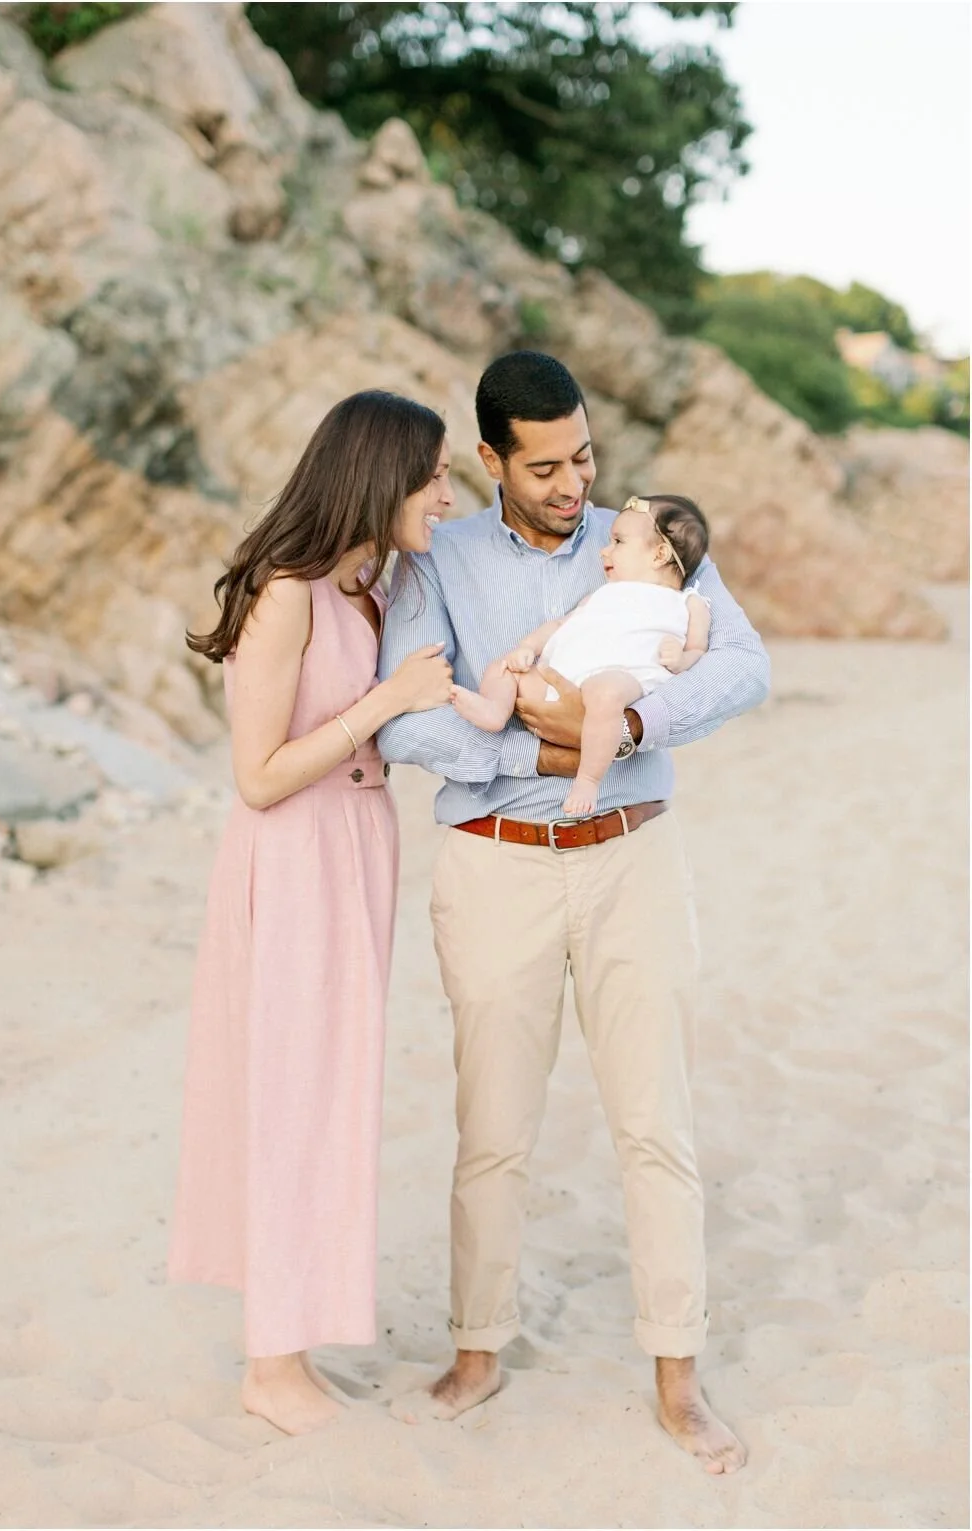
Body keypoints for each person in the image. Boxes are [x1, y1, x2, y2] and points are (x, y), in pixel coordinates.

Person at [375, 351, 767, 1474]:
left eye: (582, 455)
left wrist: (631, 731)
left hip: (632, 857)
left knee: (655, 1122)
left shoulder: (647, 545)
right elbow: (405, 717)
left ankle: (678, 1377)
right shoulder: (436, 554)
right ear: (487, 458)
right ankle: (474, 1351)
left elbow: (740, 666)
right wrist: (542, 747)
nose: (570, 481)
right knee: (490, 1128)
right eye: (541, 464)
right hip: (491, 863)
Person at [169, 390, 457, 1436]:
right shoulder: (285, 594)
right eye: (431, 475)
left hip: (356, 850)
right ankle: (268, 1365)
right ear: (377, 475)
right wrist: (383, 704)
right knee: (289, 1097)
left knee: (331, 1095)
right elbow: (256, 774)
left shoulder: (364, 587)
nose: (444, 492)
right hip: (292, 857)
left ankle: (290, 1340)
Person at [450, 493, 712, 815]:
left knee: (605, 695)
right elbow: (561, 624)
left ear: (659, 554)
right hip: (560, 677)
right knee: (505, 667)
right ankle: (495, 708)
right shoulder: (603, 594)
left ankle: (588, 778)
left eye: (618, 541)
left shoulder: (688, 602)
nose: (606, 550)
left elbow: (699, 648)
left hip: (624, 676)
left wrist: (683, 659)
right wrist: (527, 649)